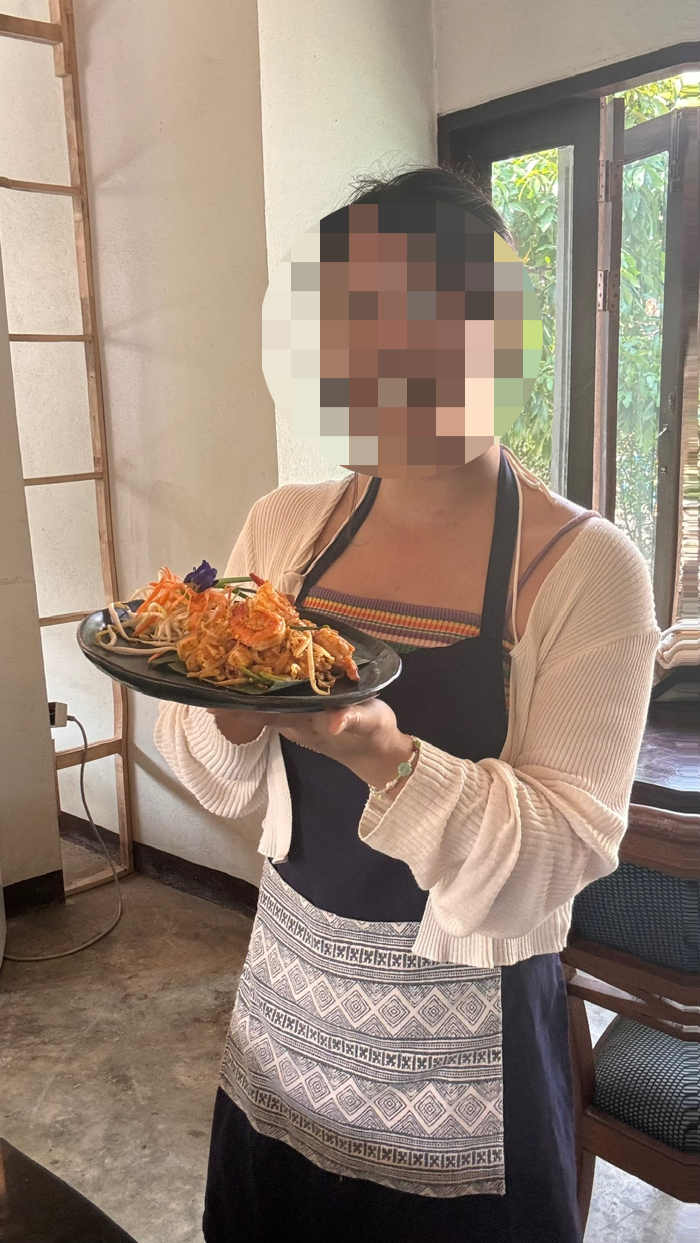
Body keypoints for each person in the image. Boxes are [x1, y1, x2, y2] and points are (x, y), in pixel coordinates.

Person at [155, 168, 660, 1243]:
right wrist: (233, 705)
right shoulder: (285, 526)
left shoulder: (586, 568)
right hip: (290, 1015)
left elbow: (567, 849)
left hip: (467, 1063)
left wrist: (382, 755)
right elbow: (207, 764)